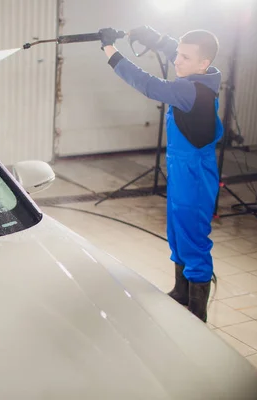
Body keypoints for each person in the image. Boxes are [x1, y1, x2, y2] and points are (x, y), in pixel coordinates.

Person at [97, 26, 223, 323]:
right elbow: (180, 53)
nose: (177, 61)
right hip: (182, 168)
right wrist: (155, 39)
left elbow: (148, 84)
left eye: (184, 57)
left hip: (193, 173)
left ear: (202, 63)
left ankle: (197, 313)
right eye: (177, 54)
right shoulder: (204, 75)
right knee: (178, 234)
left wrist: (111, 52)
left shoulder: (189, 88)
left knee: (192, 237)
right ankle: (181, 293)